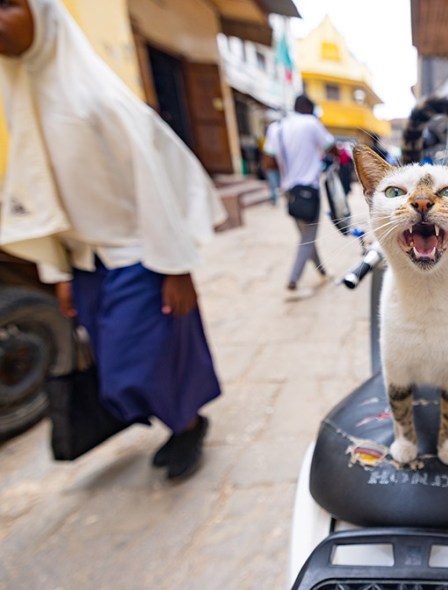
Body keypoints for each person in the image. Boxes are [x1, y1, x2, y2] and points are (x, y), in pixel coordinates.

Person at [0, 0, 224, 480]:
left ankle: (188, 423)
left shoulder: (98, 99)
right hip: (85, 263)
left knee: (143, 360)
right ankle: (176, 421)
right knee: (116, 362)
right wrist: (58, 272)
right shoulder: (22, 97)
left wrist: (176, 267)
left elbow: (155, 184)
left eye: (7, 5)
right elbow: (40, 194)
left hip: (138, 255)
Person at [263, 94, 334, 295]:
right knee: (307, 238)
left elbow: (268, 162)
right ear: (308, 109)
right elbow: (332, 147)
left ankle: (323, 271)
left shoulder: (275, 128)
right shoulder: (311, 123)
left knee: (306, 236)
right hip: (309, 190)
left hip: (289, 191)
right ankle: (292, 282)